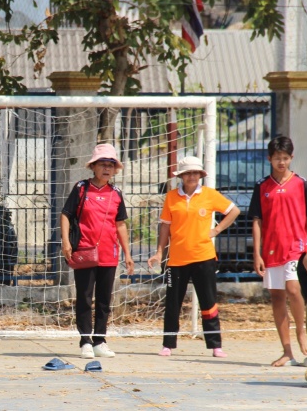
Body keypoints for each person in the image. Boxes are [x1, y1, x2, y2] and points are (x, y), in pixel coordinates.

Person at [148, 156, 240, 358]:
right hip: (176, 259)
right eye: (188, 173)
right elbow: (165, 227)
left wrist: (216, 230)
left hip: (204, 257)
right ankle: (168, 344)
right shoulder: (171, 197)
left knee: (209, 301)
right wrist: (159, 251)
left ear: (200, 175)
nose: (192, 176)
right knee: (173, 303)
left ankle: (215, 345)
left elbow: (234, 211)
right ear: (181, 176)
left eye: (195, 173)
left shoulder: (209, 194)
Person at [60, 143, 134, 359]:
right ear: (93, 166)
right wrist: (66, 242)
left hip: (109, 254)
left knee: (104, 300)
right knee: (84, 298)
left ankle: (100, 341)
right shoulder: (81, 188)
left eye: (111, 164)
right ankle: (85, 341)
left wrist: (128, 254)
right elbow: (65, 214)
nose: (107, 168)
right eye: (102, 164)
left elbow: (120, 224)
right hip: (84, 251)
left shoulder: (116, 193)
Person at [248, 136, 307, 367]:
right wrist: (257, 253)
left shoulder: (301, 183)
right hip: (271, 250)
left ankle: (301, 333)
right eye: (277, 158)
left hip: (297, 247)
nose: (281, 162)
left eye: (285, 158)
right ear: (269, 158)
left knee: (294, 289)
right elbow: (257, 221)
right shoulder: (262, 186)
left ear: (291, 158)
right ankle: (287, 351)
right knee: (277, 297)